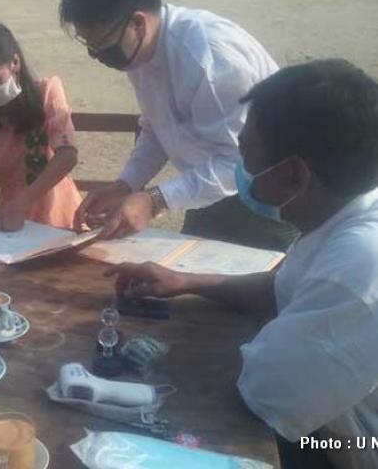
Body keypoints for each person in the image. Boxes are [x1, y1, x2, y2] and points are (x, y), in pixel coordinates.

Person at [108, 60, 378, 469]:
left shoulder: (357, 268)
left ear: (293, 175)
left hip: (343, 449)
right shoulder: (345, 213)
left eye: (248, 154)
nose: (240, 168)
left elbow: (262, 392)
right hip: (318, 420)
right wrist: (184, 281)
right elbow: (280, 289)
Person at [60, 0, 297, 250]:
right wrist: (125, 185)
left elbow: (238, 164)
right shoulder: (141, 53)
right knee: (185, 278)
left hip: (265, 198)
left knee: (262, 288)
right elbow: (157, 128)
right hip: (204, 192)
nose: (97, 55)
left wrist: (154, 200)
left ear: (137, 23)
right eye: (90, 46)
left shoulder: (209, 58)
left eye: (102, 45)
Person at [0, 20, 82, 232]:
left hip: (62, 213)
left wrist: (24, 201)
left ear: (15, 62)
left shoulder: (46, 92)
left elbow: (67, 155)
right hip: (11, 219)